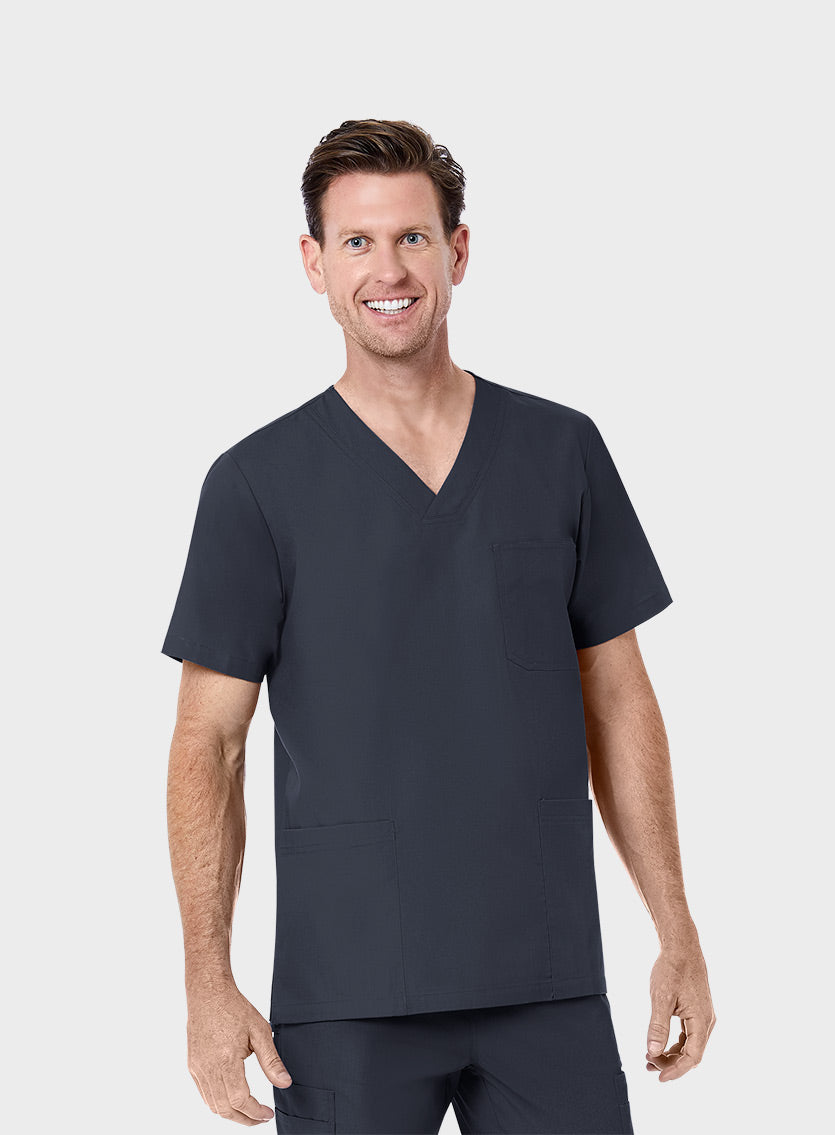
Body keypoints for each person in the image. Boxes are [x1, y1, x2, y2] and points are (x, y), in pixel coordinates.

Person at [162, 118, 716, 1134]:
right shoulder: (256, 486)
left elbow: (618, 700)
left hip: (545, 975)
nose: (389, 270)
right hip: (347, 993)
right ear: (315, 264)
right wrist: (207, 978)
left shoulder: (560, 451)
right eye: (358, 241)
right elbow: (210, 742)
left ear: (457, 251)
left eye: (412, 237)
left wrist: (674, 924)